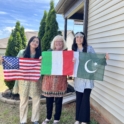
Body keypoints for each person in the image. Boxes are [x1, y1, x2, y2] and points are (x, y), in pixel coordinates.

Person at [72, 32, 109, 124]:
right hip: (78, 79)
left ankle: (84, 120)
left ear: (84, 39)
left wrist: (104, 58)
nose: (79, 39)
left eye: (81, 37)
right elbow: (68, 64)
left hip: (88, 79)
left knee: (85, 98)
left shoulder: (89, 49)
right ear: (75, 39)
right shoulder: (73, 51)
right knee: (79, 98)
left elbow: (95, 59)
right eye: (77, 37)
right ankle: (78, 119)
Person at [12, 36, 42, 124]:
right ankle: (23, 120)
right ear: (29, 42)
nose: (35, 43)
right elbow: (15, 63)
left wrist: (42, 60)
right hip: (23, 80)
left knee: (36, 99)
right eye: (33, 41)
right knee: (23, 100)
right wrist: (4, 60)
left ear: (38, 44)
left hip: (35, 80)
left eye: (37, 42)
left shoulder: (40, 54)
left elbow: (43, 67)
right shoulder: (22, 52)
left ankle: (35, 119)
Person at [41, 35, 68, 124]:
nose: (58, 43)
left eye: (60, 41)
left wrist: (73, 60)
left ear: (63, 43)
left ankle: (57, 118)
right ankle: (48, 117)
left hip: (60, 80)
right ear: (54, 43)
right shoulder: (49, 52)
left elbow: (68, 65)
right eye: (57, 41)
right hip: (49, 79)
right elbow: (44, 64)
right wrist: (42, 59)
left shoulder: (65, 53)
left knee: (59, 101)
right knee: (49, 100)